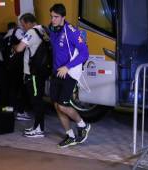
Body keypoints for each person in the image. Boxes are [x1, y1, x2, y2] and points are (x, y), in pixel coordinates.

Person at [49, 4, 90, 148]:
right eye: (51, 16)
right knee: (56, 105)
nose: (53, 20)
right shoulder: (52, 29)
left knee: (63, 105)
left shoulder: (71, 31)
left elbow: (85, 53)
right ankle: (70, 136)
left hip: (69, 73)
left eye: (56, 17)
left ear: (63, 17)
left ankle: (82, 125)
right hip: (56, 72)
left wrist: (67, 67)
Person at [14, 13, 48, 137]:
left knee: (36, 101)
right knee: (37, 99)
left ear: (28, 23)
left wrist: (15, 46)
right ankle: (37, 126)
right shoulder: (42, 30)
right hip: (41, 71)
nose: (23, 28)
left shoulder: (31, 32)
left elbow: (19, 49)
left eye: (23, 25)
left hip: (33, 73)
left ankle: (39, 129)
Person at [0, 22, 30, 121]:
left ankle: (8, 110)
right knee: (21, 89)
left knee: (9, 90)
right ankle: (21, 112)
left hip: (6, 67)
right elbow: (24, 46)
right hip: (18, 67)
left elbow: (1, 56)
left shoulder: (5, 37)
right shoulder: (18, 33)